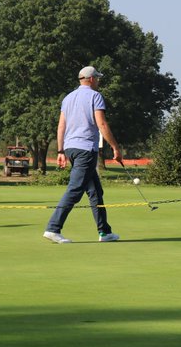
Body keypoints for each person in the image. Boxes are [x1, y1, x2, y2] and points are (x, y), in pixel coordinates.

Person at [44, 66, 122, 244]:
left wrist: (61, 151)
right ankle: (53, 228)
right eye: (98, 78)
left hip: (71, 149)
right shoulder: (96, 96)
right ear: (92, 79)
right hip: (85, 150)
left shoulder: (68, 97)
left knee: (95, 191)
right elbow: (101, 124)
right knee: (75, 189)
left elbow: (61, 126)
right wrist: (115, 148)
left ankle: (104, 232)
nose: (99, 81)